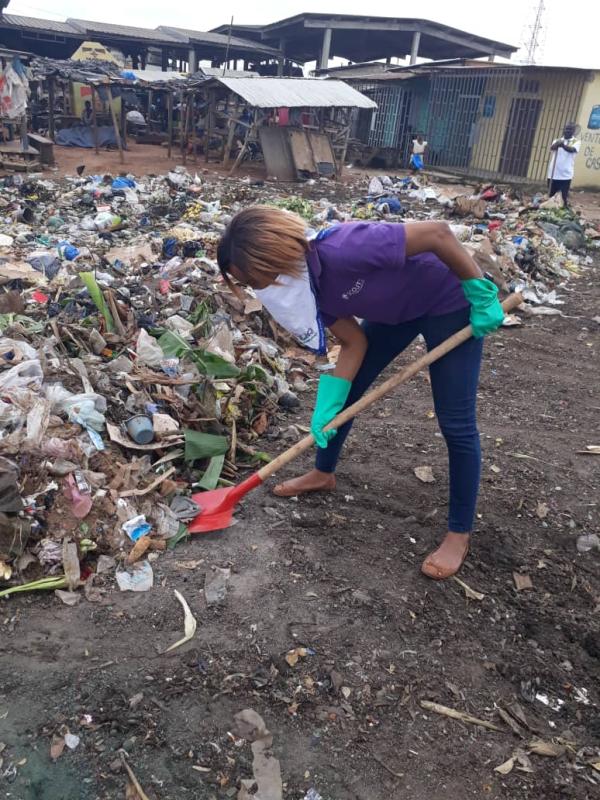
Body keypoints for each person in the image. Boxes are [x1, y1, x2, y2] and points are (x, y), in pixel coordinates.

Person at [217, 208, 506, 580]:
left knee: (455, 421)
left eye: (251, 278)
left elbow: (437, 233)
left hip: (448, 302)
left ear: (266, 256)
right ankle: (323, 473)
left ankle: (458, 533)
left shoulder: (344, 247)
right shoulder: (306, 289)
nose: (255, 288)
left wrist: (478, 290)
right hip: (394, 316)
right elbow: (354, 343)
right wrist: (332, 401)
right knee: (349, 393)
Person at [548, 123, 580, 206]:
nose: (567, 131)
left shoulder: (576, 142)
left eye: (570, 129)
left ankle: (562, 212)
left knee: (562, 198)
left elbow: (572, 150)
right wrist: (557, 144)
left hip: (565, 175)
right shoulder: (557, 140)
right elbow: (552, 148)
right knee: (551, 196)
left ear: (573, 131)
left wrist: (563, 145)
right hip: (553, 173)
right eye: (566, 129)